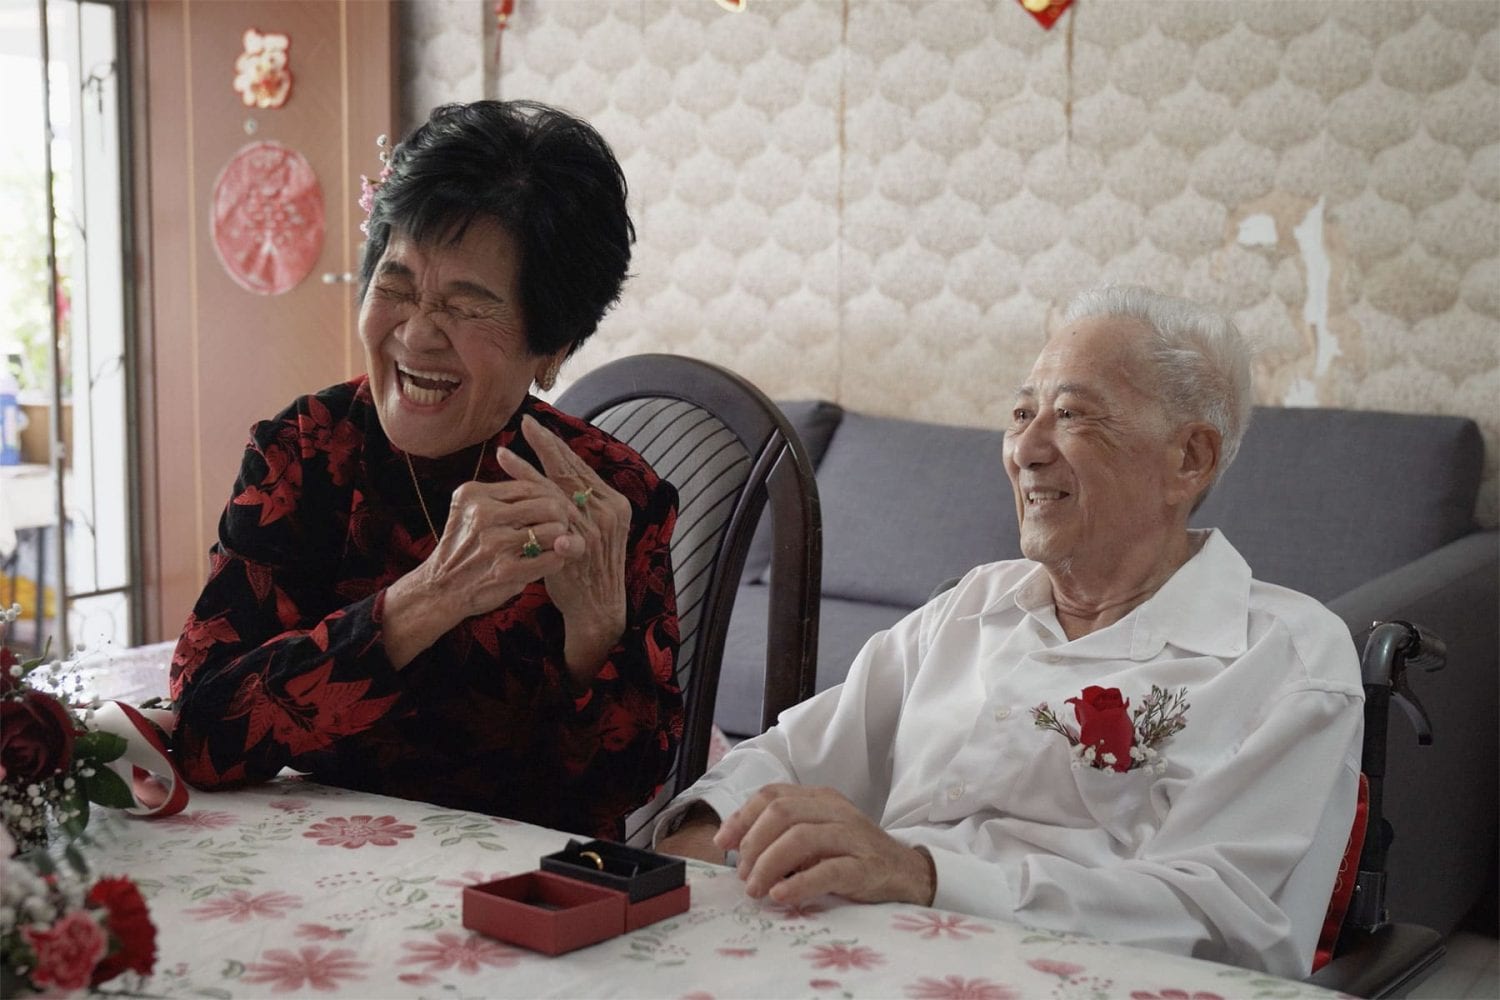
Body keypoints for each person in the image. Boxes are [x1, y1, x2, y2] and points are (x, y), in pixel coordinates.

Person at [654, 285, 1363, 978]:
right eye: (1021, 412)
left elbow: (1219, 924)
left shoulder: (1288, 658)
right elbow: (791, 754)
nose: (1026, 448)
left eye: (1072, 415)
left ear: (1190, 459)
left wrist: (925, 876)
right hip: (863, 960)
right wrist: (705, 834)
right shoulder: (971, 605)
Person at [170, 100, 683, 840]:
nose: (414, 335)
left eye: (467, 308)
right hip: (317, 867)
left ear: (553, 347)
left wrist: (595, 632)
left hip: (516, 899)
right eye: (398, 286)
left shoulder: (608, 503)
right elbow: (198, 732)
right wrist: (428, 598)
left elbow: (623, 793)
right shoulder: (305, 454)